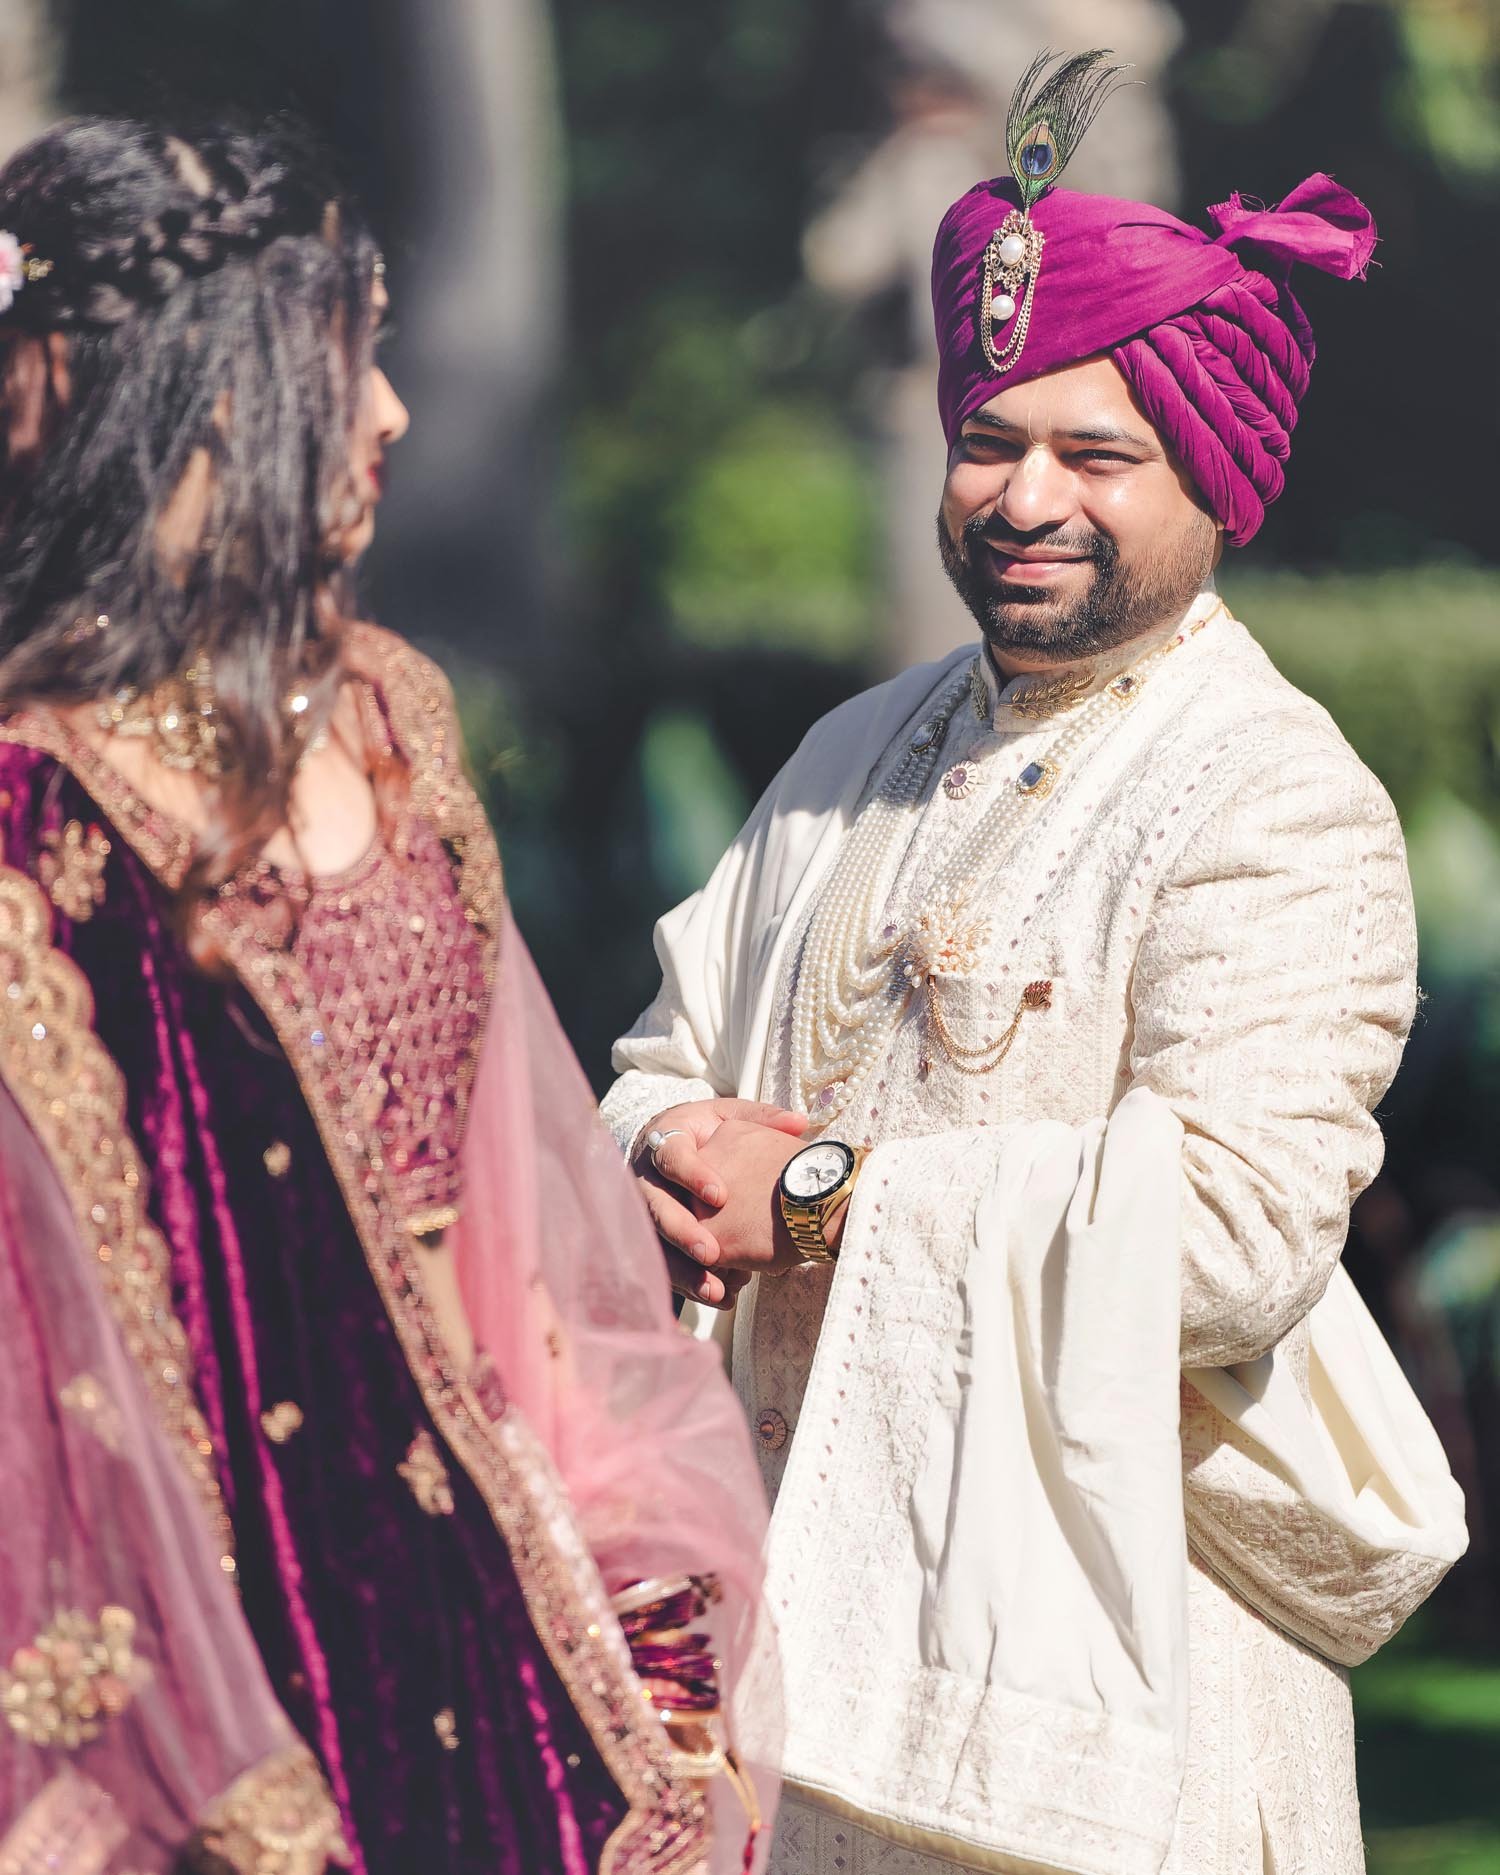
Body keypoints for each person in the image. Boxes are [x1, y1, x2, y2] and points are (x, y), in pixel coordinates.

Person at [602, 51, 1468, 1875]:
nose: (1023, 496)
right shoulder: (847, 752)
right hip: (802, 1647)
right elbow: (669, 1059)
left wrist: (821, 1196)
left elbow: (1234, 1240)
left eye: (1098, 453)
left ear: (1215, 475)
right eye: (990, 439)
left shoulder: (1271, 795)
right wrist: (668, 1159)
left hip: (1127, 1683)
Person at [0, 117, 772, 1874]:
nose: (394, 411)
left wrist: (640, 1597)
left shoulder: (387, 713)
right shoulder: (36, 809)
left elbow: (528, 1214)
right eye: (346, 355)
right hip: (224, 1641)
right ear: (206, 401)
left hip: (513, 1605)